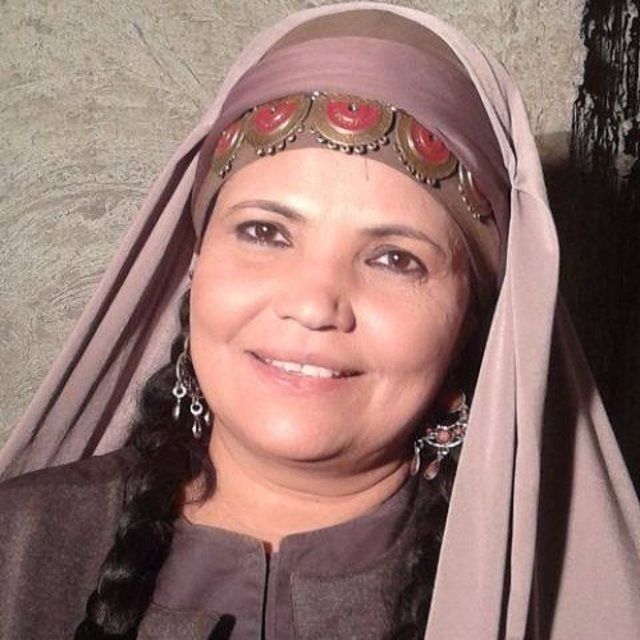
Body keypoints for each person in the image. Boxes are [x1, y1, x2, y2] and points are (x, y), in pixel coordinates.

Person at [1, 3, 638, 639]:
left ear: (471, 324)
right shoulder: (17, 547)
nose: (313, 305)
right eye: (265, 232)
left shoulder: (567, 607)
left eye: (395, 258)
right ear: (196, 273)